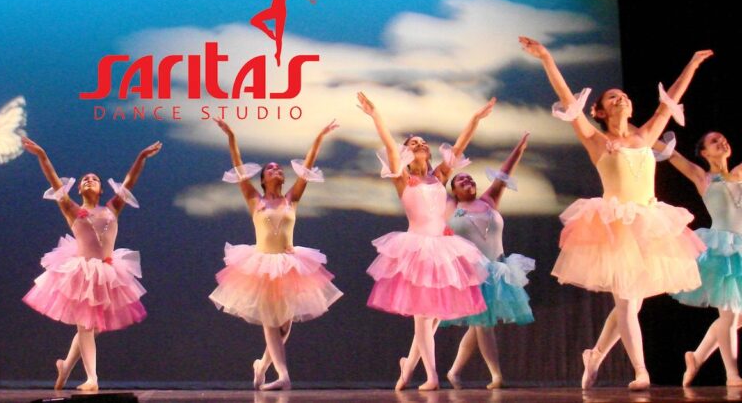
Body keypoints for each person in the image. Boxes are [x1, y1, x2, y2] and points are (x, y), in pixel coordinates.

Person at [521, 36, 711, 389]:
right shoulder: (595, 140)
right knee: (625, 302)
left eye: (623, 96)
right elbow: (567, 100)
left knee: (632, 303)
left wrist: (693, 65)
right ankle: (641, 370)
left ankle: (594, 355)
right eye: (612, 97)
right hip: (615, 226)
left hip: (649, 223)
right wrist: (547, 57)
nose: (620, 98)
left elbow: (669, 102)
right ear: (601, 111)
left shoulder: (646, 136)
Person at [357, 91, 493, 391]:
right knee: (422, 316)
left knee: (432, 317)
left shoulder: (439, 177)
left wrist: (474, 120)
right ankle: (431, 376)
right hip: (416, 247)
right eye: (413, 142)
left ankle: (408, 367)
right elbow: (391, 147)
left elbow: (459, 146)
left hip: (441, 248)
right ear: (406, 153)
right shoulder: (403, 179)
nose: (419, 144)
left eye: (422, 142)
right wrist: (376, 115)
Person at [208, 117, 343, 391]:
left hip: (289, 263)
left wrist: (319, 137)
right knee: (271, 322)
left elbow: (306, 169)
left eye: (279, 169)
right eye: (271, 169)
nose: (276, 171)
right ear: (263, 178)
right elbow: (238, 168)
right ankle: (283, 376)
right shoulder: (253, 199)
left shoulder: (292, 198)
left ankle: (262, 365)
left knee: (284, 326)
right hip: (261, 264)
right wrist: (231, 136)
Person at [22, 136, 161, 392]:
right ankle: (92, 378)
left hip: (107, 271)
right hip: (82, 272)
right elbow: (53, 180)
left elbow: (130, 181)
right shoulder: (71, 208)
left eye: (94, 179)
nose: (89, 180)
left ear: (100, 189)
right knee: (85, 325)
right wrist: (42, 155)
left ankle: (65, 367)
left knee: (92, 326)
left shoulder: (113, 207)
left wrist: (141, 157)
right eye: (85, 179)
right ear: (78, 189)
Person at [440, 133, 534, 390]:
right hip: (470, 273)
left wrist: (519, 148)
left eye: (470, 178)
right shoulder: (449, 207)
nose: (467, 180)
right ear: (454, 190)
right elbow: (438, 180)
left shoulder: (489, 201)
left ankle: (454, 371)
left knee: (480, 324)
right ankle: (496, 375)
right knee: (483, 324)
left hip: (498, 269)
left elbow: (504, 172)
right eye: (461, 179)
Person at [666, 131, 742, 387]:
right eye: (714, 141)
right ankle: (732, 375)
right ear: (704, 153)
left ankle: (697, 357)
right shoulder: (704, 178)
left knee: (734, 317)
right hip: (723, 250)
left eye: (723, 138)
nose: (722, 141)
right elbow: (672, 155)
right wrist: (635, 132)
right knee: (730, 315)